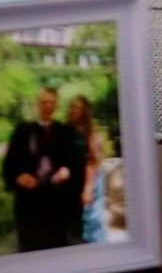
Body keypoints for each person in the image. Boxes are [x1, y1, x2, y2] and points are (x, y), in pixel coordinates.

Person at [0, 88, 83, 252]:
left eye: (51, 102)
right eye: (44, 102)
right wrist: (18, 176)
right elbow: (9, 162)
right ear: (37, 104)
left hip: (56, 201)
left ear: (56, 105)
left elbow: (74, 161)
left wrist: (66, 170)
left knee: (57, 247)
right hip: (28, 202)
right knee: (30, 247)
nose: (47, 106)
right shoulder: (22, 130)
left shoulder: (64, 131)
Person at [67, 93, 106, 244]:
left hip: (90, 182)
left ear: (85, 112)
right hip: (75, 183)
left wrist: (88, 188)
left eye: (79, 108)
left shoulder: (90, 133)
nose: (74, 110)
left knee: (92, 223)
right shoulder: (68, 130)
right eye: (72, 106)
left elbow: (92, 161)